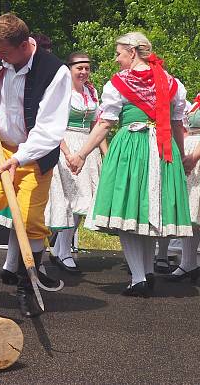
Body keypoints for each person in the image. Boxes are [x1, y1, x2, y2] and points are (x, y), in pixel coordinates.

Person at [70, 32, 192, 297]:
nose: (117, 59)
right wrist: (180, 156)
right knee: (145, 214)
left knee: (128, 211)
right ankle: (145, 272)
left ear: (132, 52)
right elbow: (176, 124)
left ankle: (139, 276)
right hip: (162, 149)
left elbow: (104, 123)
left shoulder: (119, 83)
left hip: (132, 147)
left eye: (119, 53)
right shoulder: (171, 82)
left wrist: (81, 153)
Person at [0, 13, 71, 317]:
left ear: (24, 45)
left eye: (5, 54)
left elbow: (50, 130)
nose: (0, 59)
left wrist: (18, 159)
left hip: (35, 155)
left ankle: (27, 288)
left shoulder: (55, 72)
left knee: (28, 221)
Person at [45, 53, 105, 274]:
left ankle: (62, 249)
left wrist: (105, 153)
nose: (84, 72)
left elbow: (99, 125)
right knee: (68, 198)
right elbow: (54, 124)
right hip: (66, 143)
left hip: (87, 145)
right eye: (79, 68)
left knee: (83, 201)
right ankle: (63, 251)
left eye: (87, 68)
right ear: (69, 69)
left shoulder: (92, 92)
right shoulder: (62, 91)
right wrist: (69, 153)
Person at [171, 96, 200, 282]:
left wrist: (194, 156)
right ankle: (188, 263)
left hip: (196, 153)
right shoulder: (196, 102)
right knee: (191, 212)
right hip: (190, 150)